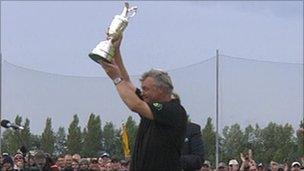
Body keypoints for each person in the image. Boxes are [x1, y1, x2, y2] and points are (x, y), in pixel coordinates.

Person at [99, 33, 187, 171]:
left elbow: (134, 104)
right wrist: (116, 50)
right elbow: (127, 82)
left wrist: (116, 78)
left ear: (161, 90)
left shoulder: (173, 110)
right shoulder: (151, 105)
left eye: (146, 89)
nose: (143, 93)